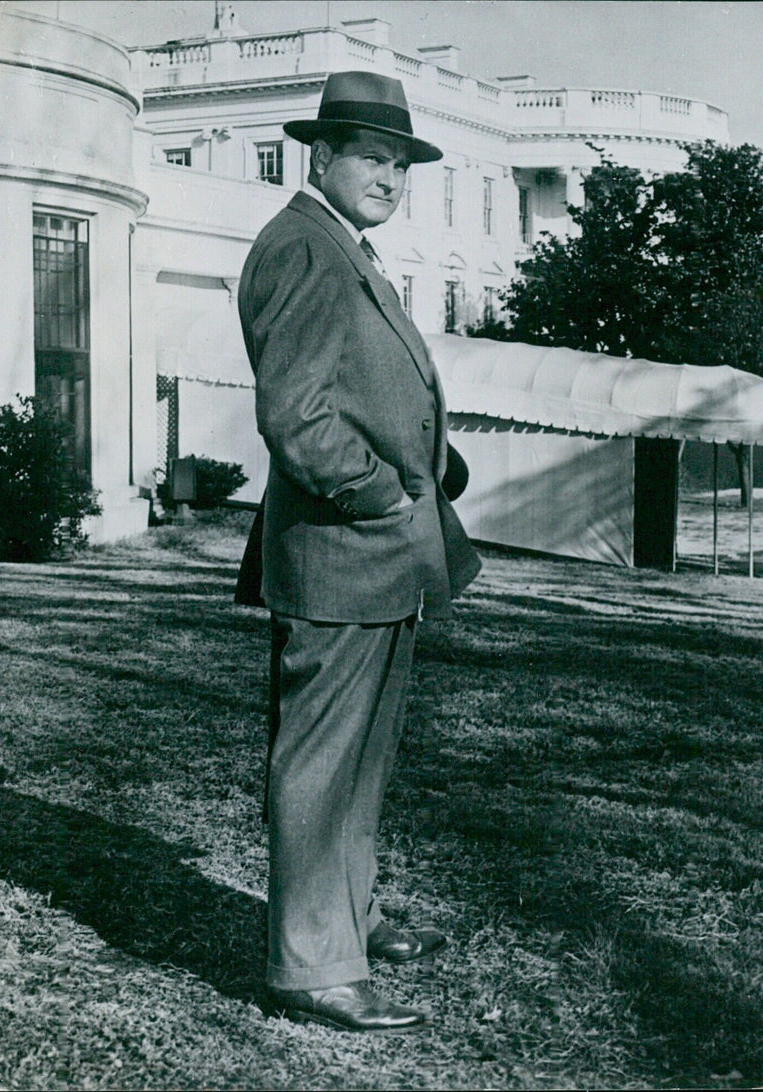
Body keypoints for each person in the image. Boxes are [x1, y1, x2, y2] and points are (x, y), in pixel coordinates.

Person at [235, 70, 481, 1033]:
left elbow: (360, 383)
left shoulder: (345, 246)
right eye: (372, 157)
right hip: (344, 550)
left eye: (401, 162)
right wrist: (381, 490)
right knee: (319, 763)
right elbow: (296, 415)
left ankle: (349, 919)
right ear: (321, 156)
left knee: (359, 764)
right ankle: (311, 967)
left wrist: (432, 460)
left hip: (376, 556)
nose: (389, 176)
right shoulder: (301, 249)